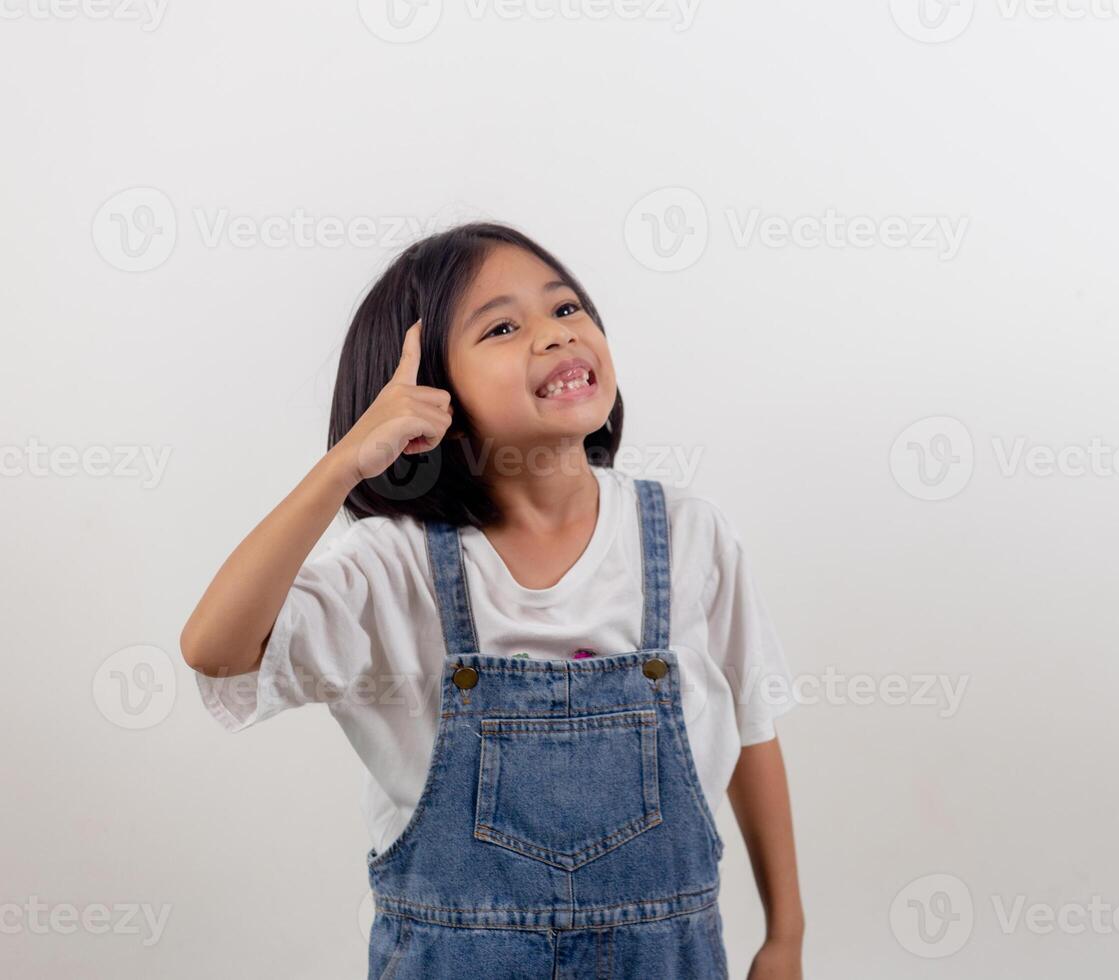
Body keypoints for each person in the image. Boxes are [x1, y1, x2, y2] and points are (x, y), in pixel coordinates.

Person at [179, 222, 805, 978]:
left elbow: (752, 728)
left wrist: (786, 936)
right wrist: (344, 463)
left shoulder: (687, 534)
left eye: (566, 309)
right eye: (503, 327)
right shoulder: (392, 565)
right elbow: (215, 650)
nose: (552, 336)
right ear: (426, 395)